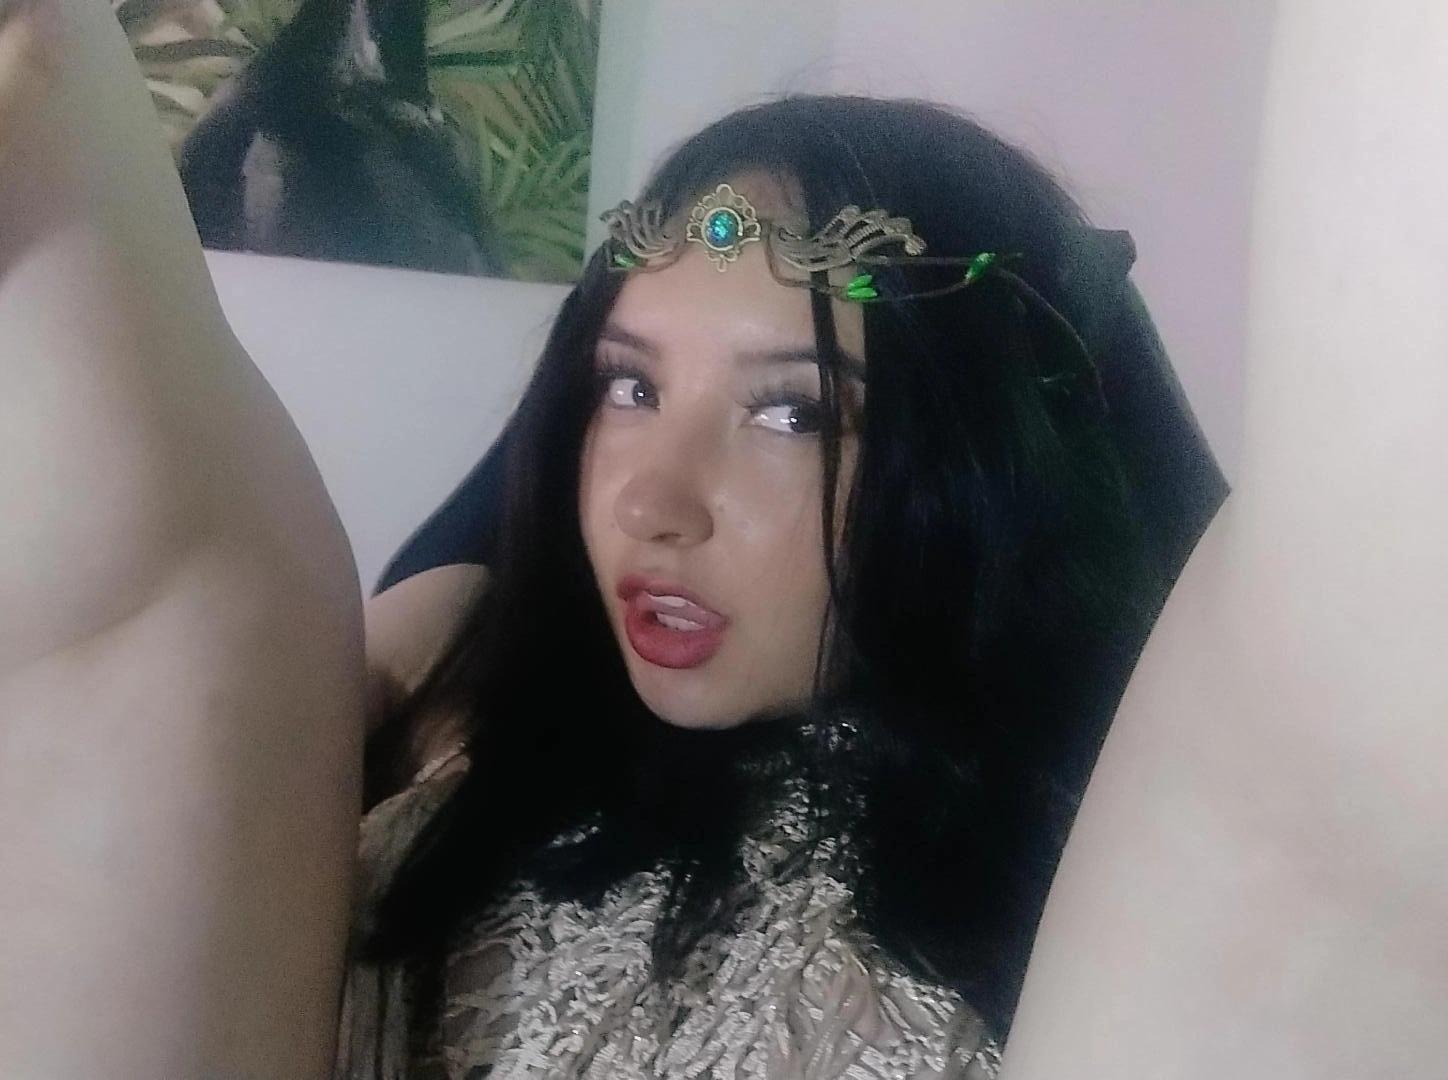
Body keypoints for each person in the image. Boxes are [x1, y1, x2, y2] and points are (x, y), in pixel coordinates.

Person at [5, 2, 1447, 1078]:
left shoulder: (1121, 869)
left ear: (971, 465)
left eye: (791, 413)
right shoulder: (441, 760)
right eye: (627, 388)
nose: (654, 500)